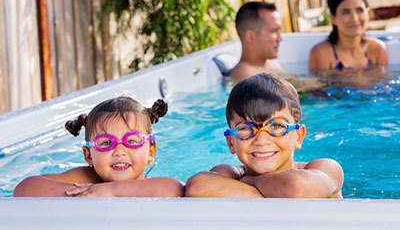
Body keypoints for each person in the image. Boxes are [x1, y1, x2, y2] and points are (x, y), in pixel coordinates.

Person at [185, 73, 343, 198]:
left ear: (299, 136)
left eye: (277, 126)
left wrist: (252, 181)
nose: (261, 140)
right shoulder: (231, 174)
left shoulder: (324, 168)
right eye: (246, 129)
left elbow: (296, 189)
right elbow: (197, 186)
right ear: (231, 142)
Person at [13, 96, 184, 197]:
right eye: (106, 142)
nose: (119, 151)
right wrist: (86, 193)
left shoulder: (151, 186)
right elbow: (24, 189)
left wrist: (111, 190)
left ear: (151, 151)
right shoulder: (87, 179)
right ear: (88, 156)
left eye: (132, 141)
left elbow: (175, 188)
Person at [308, 0, 388, 73]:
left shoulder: (377, 50)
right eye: (345, 12)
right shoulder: (322, 54)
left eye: (359, 10)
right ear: (333, 18)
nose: (354, 18)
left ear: (368, 13)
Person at [228, 1, 284, 81]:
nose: (280, 39)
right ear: (251, 36)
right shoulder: (245, 76)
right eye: (274, 31)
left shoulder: (271, 64)